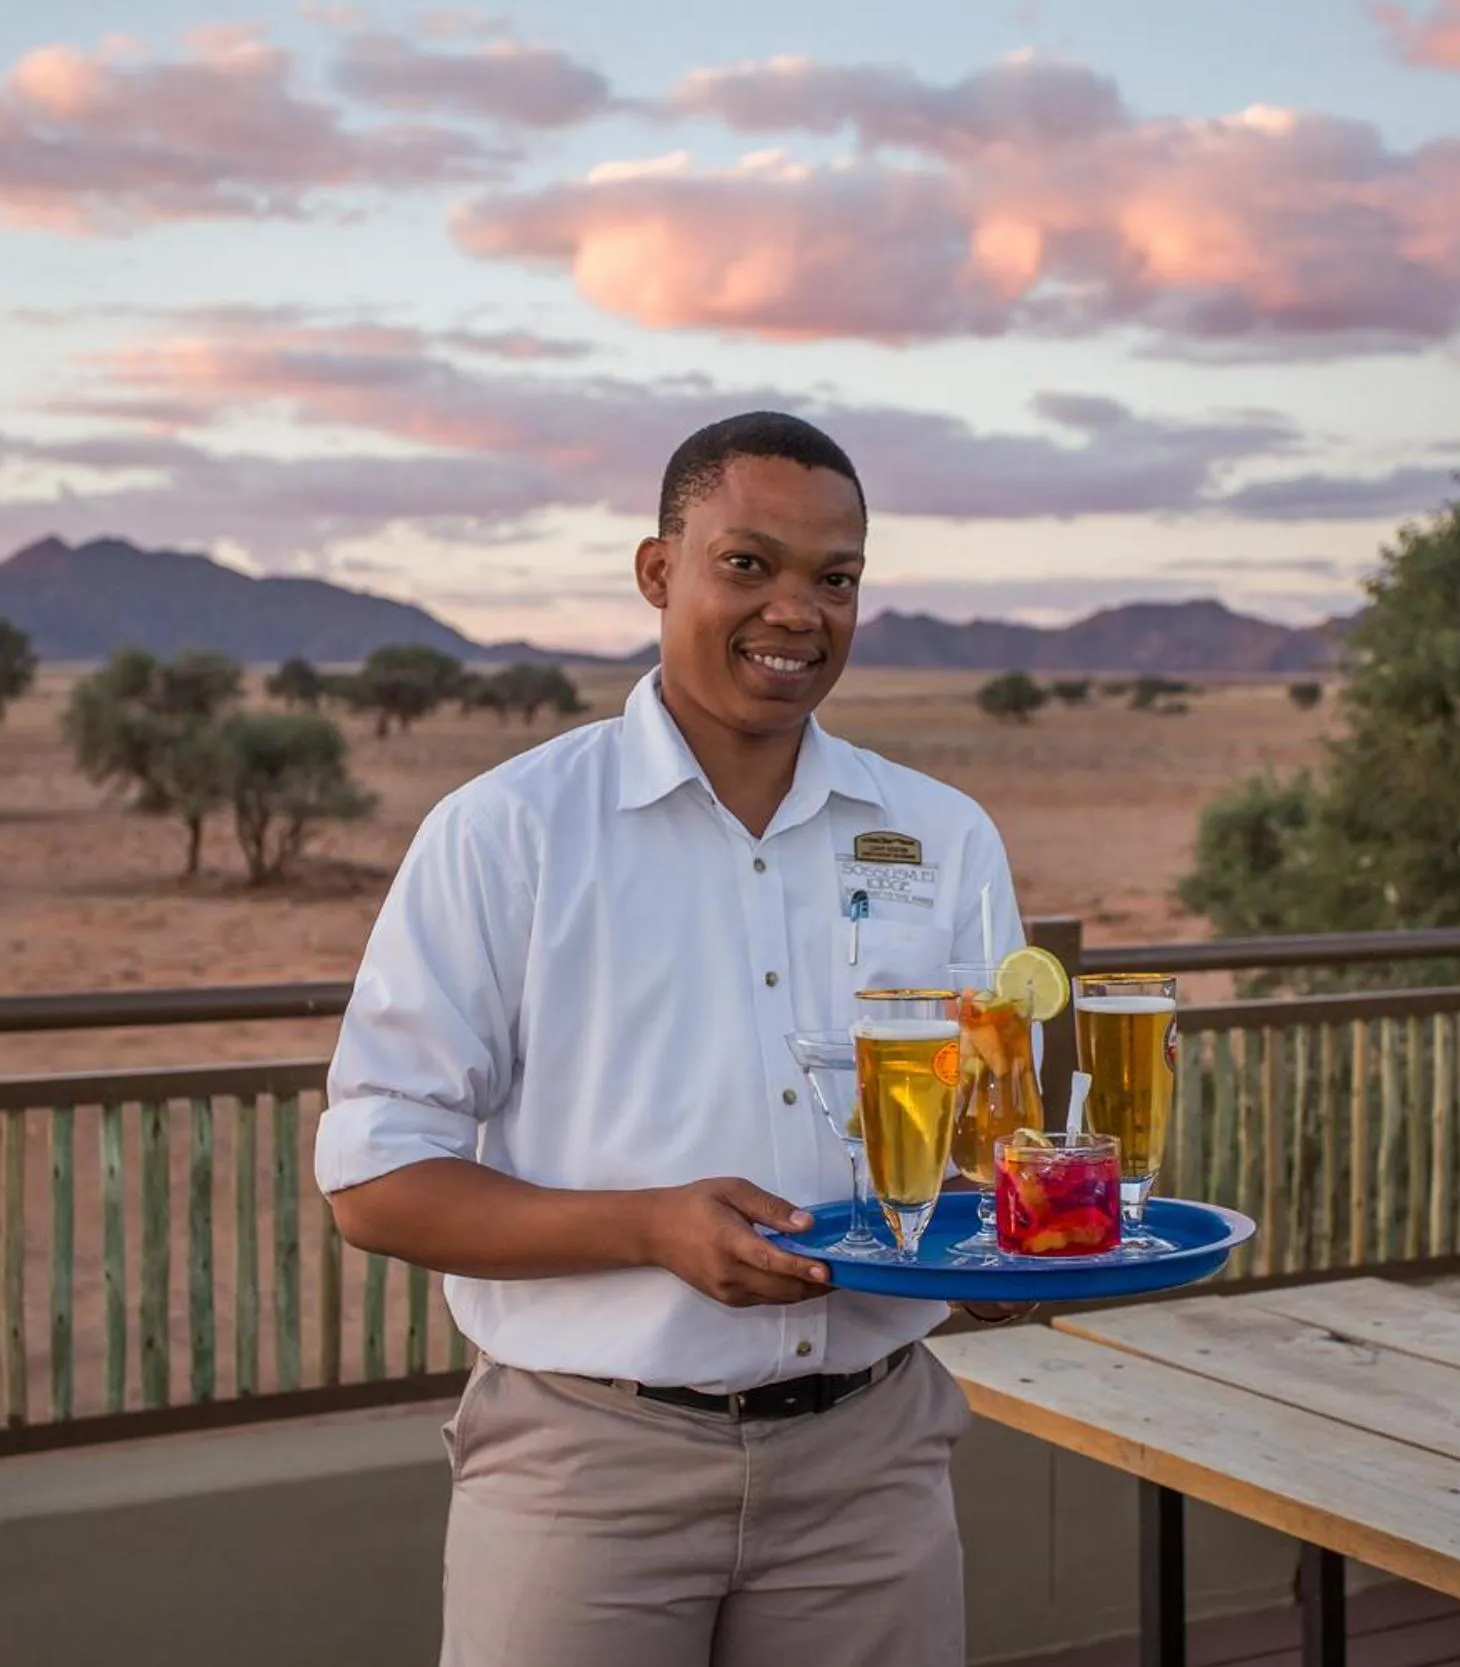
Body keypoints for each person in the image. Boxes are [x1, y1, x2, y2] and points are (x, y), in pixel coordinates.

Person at [316, 410, 1033, 1667]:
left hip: (872, 1465)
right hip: (586, 1467)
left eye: (836, 578)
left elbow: (990, 1149)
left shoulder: (942, 835)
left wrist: (1026, 1231)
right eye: (748, 563)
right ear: (658, 571)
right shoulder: (510, 832)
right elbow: (375, 1183)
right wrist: (651, 1226)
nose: (796, 611)